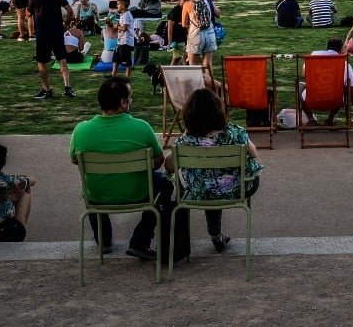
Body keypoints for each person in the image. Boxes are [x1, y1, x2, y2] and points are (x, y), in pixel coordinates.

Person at [69, 77, 183, 262]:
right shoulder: (142, 128)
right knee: (164, 184)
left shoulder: (81, 130)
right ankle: (140, 240)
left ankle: (104, 241)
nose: (132, 100)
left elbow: (76, 160)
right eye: (130, 97)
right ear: (123, 102)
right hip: (138, 193)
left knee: (89, 187)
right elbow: (159, 161)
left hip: (98, 195)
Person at [168, 87, 264, 255]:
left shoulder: (186, 140)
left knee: (208, 183)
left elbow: (169, 166)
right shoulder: (234, 132)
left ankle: (212, 236)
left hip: (199, 191)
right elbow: (253, 153)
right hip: (235, 190)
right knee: (220, 180)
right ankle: (216, 236)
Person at [29, 0, 76, 100]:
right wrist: (66, 24)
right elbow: (70, 11)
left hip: (43, 33)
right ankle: (67, 87)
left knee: (42, 62)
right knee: (62, 59)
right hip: (57, 31)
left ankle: (46, 89)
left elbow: (29, 15)